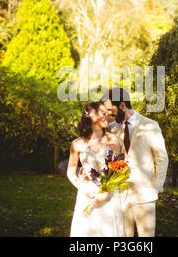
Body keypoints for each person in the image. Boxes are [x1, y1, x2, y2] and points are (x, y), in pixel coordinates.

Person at [101, 88, 169, 237]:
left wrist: (156, 188)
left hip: (145, 194)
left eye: (110, 109)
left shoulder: (150, 125)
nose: (109, 114)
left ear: (122, 105)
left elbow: (162, 159)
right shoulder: (111, 129)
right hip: (120, 195)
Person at [67, 101, 126, 237]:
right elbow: (71, 172)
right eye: (103, 113)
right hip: (87, 195)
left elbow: (120, 168)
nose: (107, 116)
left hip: (109, 195)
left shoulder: (113, 140)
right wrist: (83, 189)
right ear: (92, 116)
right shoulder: (77, 144)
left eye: (108, 114)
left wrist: (105, 193)